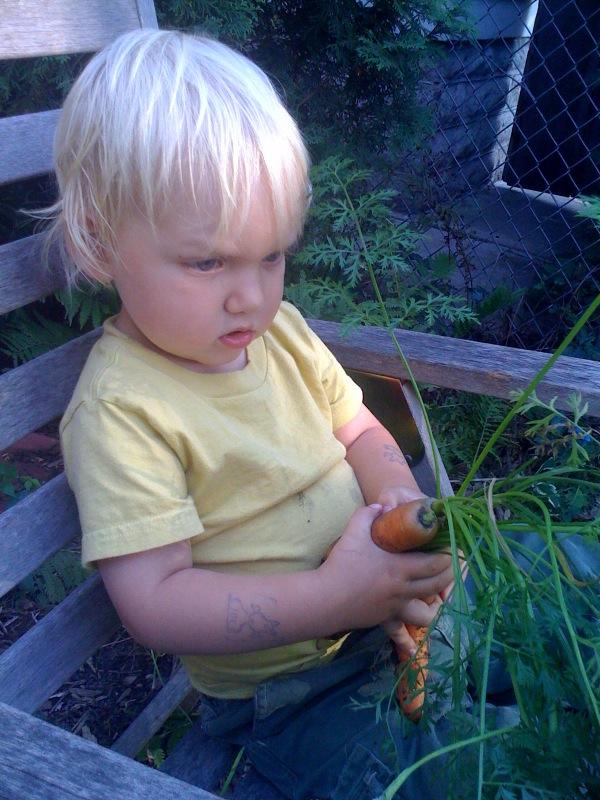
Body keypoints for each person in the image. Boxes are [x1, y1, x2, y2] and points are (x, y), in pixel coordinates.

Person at [51, 28, 508, 800]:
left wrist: (399, 504)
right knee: (458, 777)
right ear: (100, 241)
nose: (252, 296)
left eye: (272, 256)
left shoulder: (282, 333)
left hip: (391, 611)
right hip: (294, 696)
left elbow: (359, 428)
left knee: (545, 625)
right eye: (208, 262)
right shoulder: (123, 410)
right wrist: (339, 597)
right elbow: (156, 606)